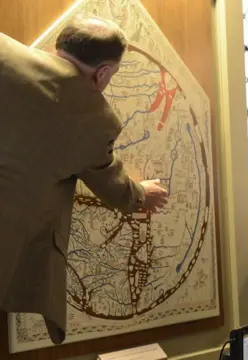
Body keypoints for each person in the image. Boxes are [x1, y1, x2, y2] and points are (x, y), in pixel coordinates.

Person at [0, 17, 169, 345]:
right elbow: (109, 179)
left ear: (58, 48)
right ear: (103, 72)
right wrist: (140, 195)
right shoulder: (96, 119)